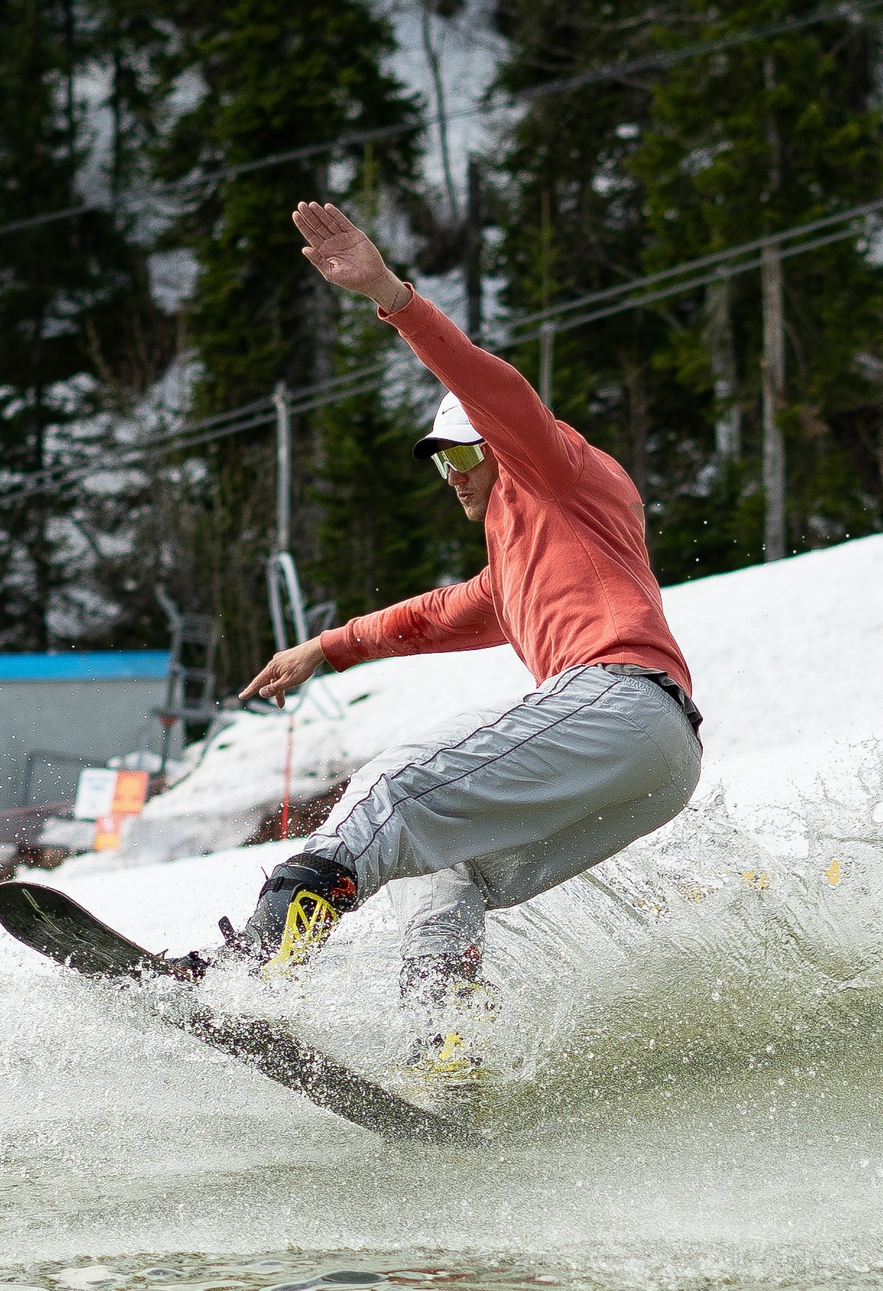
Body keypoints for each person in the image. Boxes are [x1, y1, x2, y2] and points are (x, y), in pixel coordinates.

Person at [224, 202, 704, 1065]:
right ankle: (443, 1049)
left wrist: (390, 294)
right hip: (660, 763)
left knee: (397, 786)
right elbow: (434, 615)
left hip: (618, 700)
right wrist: (325, 647)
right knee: (456, 870)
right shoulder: (528, 557)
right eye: (440, 463)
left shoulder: (550, 469)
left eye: (457, 457)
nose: (450, 477)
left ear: (497, 447)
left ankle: (254, 967)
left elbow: (494, 387)